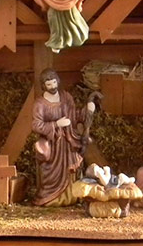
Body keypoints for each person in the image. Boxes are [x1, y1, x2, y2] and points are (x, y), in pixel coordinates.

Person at [32, 69, 96, 206]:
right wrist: (56, 124)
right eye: (49, 84)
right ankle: (52, 198)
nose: (53, 86)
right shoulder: (40, 104)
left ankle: (71, 196)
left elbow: (75, 116)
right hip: (52, 144)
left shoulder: (66, 97)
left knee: (72, 167)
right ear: (44, 86)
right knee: (49, 172)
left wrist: (87, 110)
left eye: (54, 82)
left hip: (68, 142)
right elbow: (36, 125)